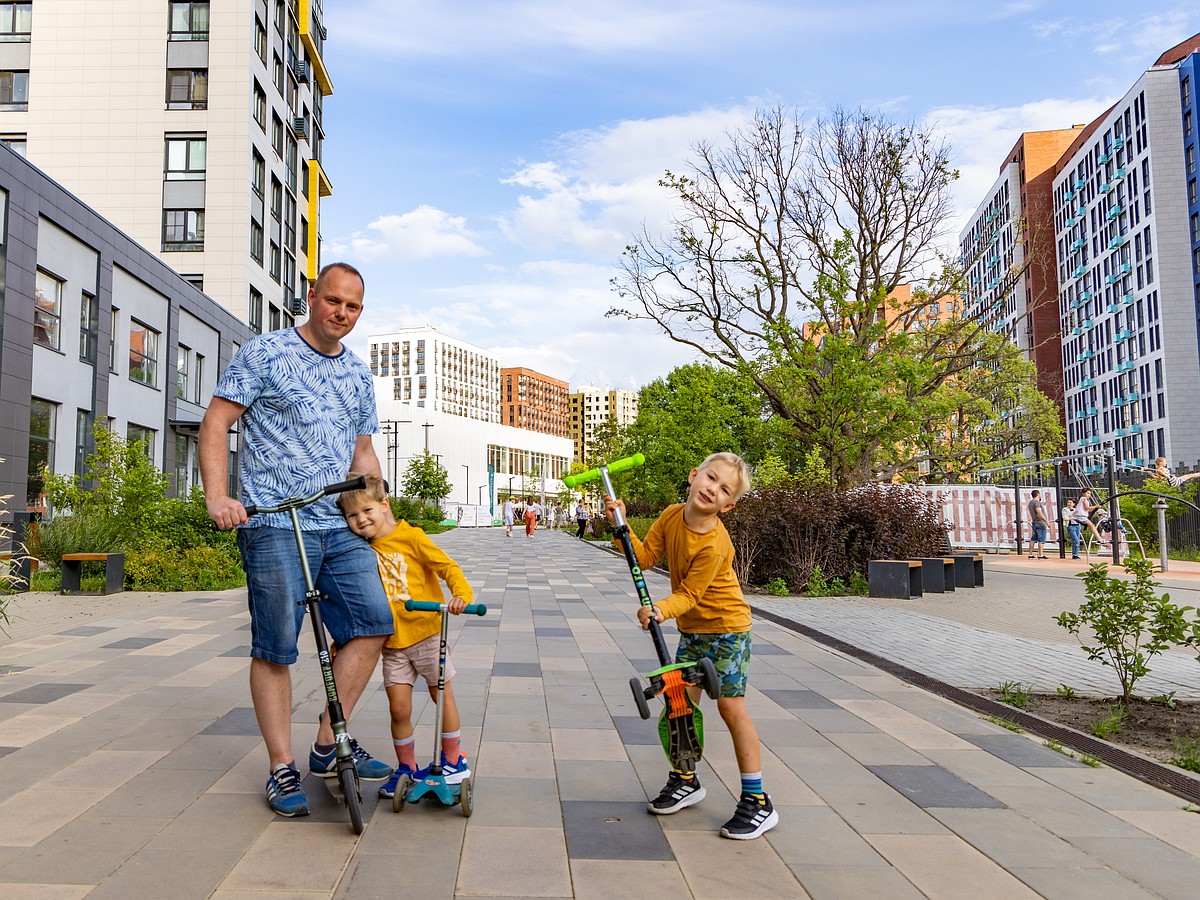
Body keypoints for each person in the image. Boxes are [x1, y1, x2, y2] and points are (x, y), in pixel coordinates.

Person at [199, 262, 395, 819]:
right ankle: (280, 766)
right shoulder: (265, 353)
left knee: (374, 622)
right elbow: (215, 424)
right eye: (333, 301)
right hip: (273, 522)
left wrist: (383, 516)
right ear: (312, 297)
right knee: (276, 646)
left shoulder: (358, 374)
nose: (342, 313)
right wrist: (218, 496)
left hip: (338, 525)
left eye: (353, 307)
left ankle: (328, 744)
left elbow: (362, 455)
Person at [603, 452, 778, 840]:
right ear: (694, 474)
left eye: (724, 489)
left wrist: (660, 610)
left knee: (731, 708)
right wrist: (622, 524)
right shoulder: (670, 515)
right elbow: (645, 557)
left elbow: (690, 594)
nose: (712, 488)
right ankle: (686, 780)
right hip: (694, 631)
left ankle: (757, 801)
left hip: (728, 630)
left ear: (728, 505)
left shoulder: (715, 543)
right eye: (710, 478)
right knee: (680, 705)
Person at [336, 473, 473, 800]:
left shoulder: (411, 537)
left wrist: (460, 594)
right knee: (398, 708)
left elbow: (446, 566)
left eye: (367, 510)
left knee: (442, 696)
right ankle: (407, 767)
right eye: (352, 516)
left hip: (427, 635)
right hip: (393, 644)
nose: (360, 520)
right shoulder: (361, 548)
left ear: (384, 505)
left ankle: (454, 761)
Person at [1026, 490, 1049, 559]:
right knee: (1041, 540)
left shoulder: (1030, 503)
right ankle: (1040, 554)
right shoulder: (1037, 502)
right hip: (1040, 523)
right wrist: (1046, 521)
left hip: (1034, 522)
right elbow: (1039, 512)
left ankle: (1030, 554)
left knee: (1033, 539)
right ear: (1037, 494)